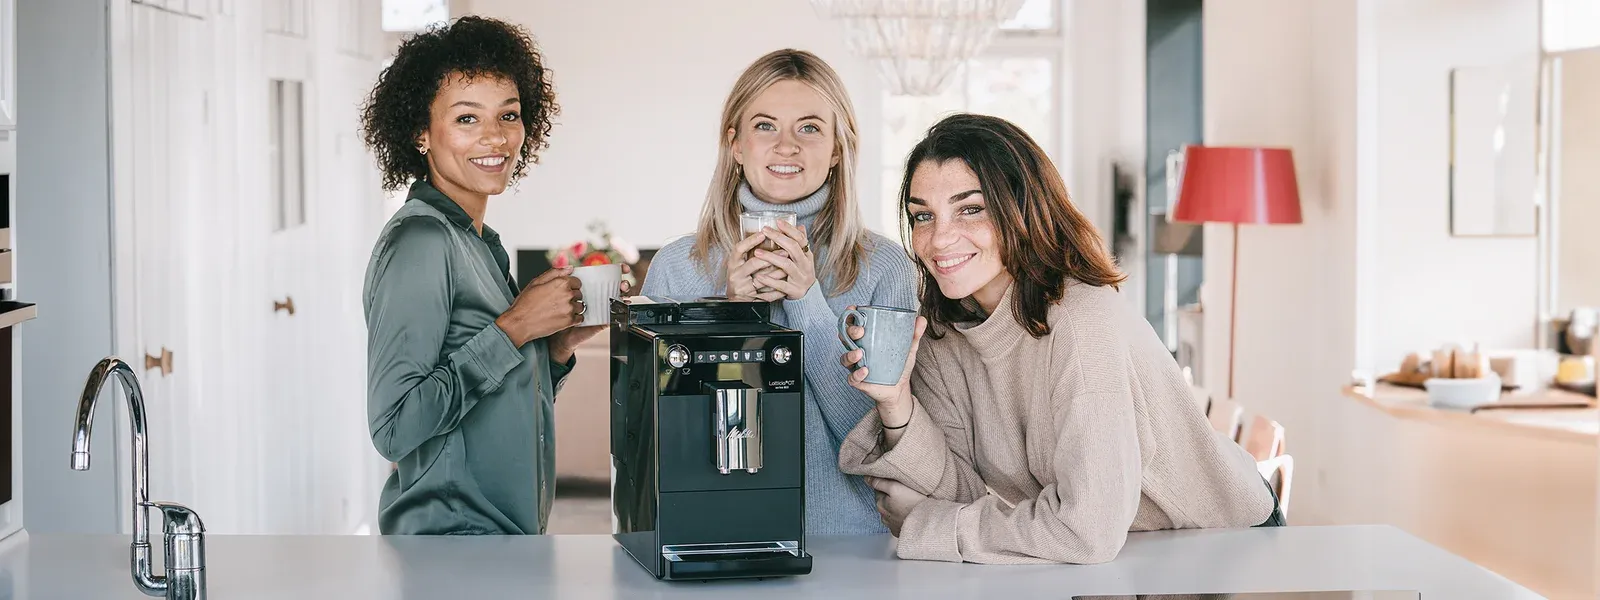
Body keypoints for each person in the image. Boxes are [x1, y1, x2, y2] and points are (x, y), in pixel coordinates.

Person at [837, 113, 1282, 564]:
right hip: (1124, 553)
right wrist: (895, 403)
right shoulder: (942, 332)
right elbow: (960, 492)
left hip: (1221, 541)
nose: (939, 238)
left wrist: (927, 526)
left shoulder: (1081, 320)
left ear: (1023, 208)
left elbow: (1085, 531)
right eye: (923, 216)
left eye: (970, 209)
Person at [359, 16, 625, 535]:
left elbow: (494, 404)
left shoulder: (479, 242)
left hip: (505, 544)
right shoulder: (421, 242)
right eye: (466, 118)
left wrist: (554, 349)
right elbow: (393, 428)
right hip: (453, 548)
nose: (495, 137)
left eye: (509, 115)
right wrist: (514, 329)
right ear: (420, 131)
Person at [638, 49, 919, 534]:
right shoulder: (676, 267)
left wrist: (807, 304)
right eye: (765, 126)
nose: (786, 146)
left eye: (809, 128)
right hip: (709, 536)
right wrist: (731, 320)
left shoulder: (884, 267)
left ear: (836, 148)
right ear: (736, 145)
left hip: (848, 546)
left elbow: (876, 440)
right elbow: (649, 438)